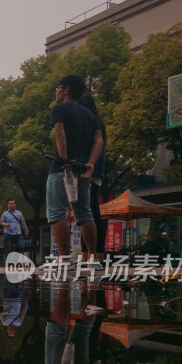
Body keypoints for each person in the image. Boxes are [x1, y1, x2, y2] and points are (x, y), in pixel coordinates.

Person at [45, 75, 103, 268]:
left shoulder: (59, 109)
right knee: (85, 213)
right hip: (83, 170)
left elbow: (59, 133)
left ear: (66, 90)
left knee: (57, 212)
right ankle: (93, 259)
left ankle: (63, 259)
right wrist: (91, 164)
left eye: (58, 88)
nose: (56, 92)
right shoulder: (89, 114)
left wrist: (64, 159)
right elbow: (98, 141)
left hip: (62, 169)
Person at [78, 95, 106, 265]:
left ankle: (92, 256)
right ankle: (90, 255)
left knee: (88, 215)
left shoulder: (90, 123)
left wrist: (87, 166)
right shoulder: (98, 122)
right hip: (95, 171)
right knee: (90, 213)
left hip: (89, 170)